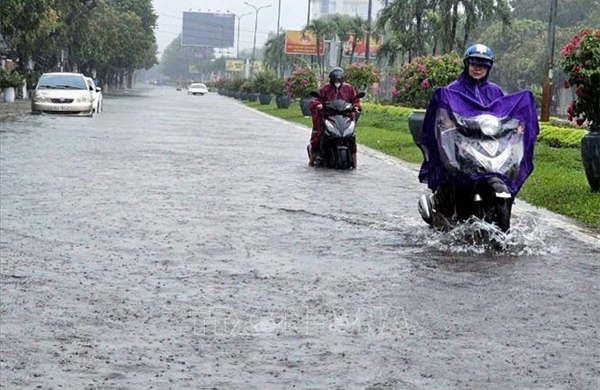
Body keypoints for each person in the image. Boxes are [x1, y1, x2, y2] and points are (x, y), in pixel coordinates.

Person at [416, 44, 506, 222]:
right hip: (460, 147)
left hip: (486, 147)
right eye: (474, 63)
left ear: (489, 67)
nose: (478, 68)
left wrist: (516, 126)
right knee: (457, 181)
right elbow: (441, 116)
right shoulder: (452, 90)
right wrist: (448, 124)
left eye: (483, 64)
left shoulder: (495, 92)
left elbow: (505, 114)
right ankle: (445, 206)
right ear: (467, 64)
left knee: (501, 177)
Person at [308, 67, 362, 168]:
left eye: (339, 80)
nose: (337, 82)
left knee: (351, 138)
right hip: (329, 117)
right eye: (335, 80)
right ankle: (312, 161)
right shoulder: (325, 88)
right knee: (317, 137)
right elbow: (316, 99)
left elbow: (355, 100)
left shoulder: (349, 89)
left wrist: (356, 106)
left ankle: (355, 163)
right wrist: (318, 104)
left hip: (345, 118)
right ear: (331, 80)